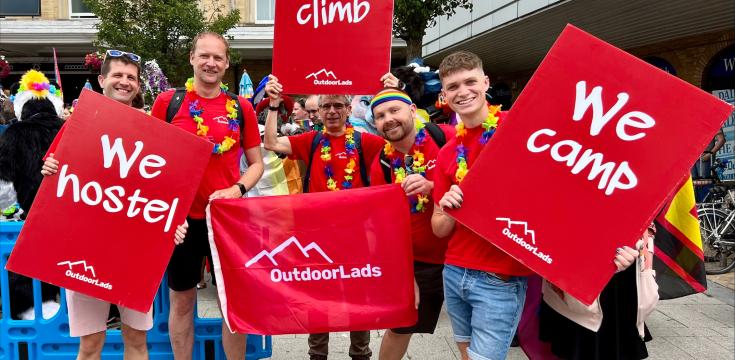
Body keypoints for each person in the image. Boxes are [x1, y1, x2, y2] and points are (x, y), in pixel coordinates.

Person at [40, 50, 188, 360]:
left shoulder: (154, 133)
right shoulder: (77, 125)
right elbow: (55, 186)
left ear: (138, 86)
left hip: (134, 253)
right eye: (118, 75)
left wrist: (175, 221)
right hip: (82, 250)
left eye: (131, 77)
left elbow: (166, 191)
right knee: (90, 345)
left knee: (136, 341)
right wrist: (49, 172)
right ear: (102, 79)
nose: (124, 82)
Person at [150, 32, 264, 360]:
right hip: (181, 221)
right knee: (182, 301)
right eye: (204, 56)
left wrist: (238, 189)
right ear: (192, 58)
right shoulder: (168, 103)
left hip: (226, 220)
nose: (210, 63)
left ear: (226, 63)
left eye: (217, 57)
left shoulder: (241, 107)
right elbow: (149, 160)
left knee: (232, 303)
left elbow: (256, 165)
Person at [263, 75, 385, 360]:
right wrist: (273, 105)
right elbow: (270, 143)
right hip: (316, 238)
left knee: (358, 300)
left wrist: (390, 92)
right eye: (326, 106)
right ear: (318, 111)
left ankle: (360, 354)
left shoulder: (365, 142)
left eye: (338, 106)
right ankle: (317, 355)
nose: (332, 111)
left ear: (347, 109)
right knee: (318, 299)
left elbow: (401, 140)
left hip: (356, 238)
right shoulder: (312, 140)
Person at [431, 51, 533, 360]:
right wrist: (447, 208)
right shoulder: (448, 152)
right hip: (455, 271)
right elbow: (438, 228)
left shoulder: (521, 129)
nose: (462, 92)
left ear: (485, 82)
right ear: (444, 95)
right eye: (453, 87)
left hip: (499, 277)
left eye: (470, 82)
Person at [368, 81, 455, 360]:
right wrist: (405, 275)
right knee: (400, 327)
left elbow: (477, 179)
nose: (388, 119)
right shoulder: (381, 161)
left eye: (394, 110)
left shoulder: (444, 136)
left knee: (469, 332)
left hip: (462, 254)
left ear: (413, 110)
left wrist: (432, 185)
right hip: (419, 261)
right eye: (380, 116)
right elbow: (382, 225)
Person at [539, 226, 658, 360]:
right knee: (577, 331)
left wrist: (647, 252)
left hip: (625, 259)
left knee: (610, 337)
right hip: (579, 251)